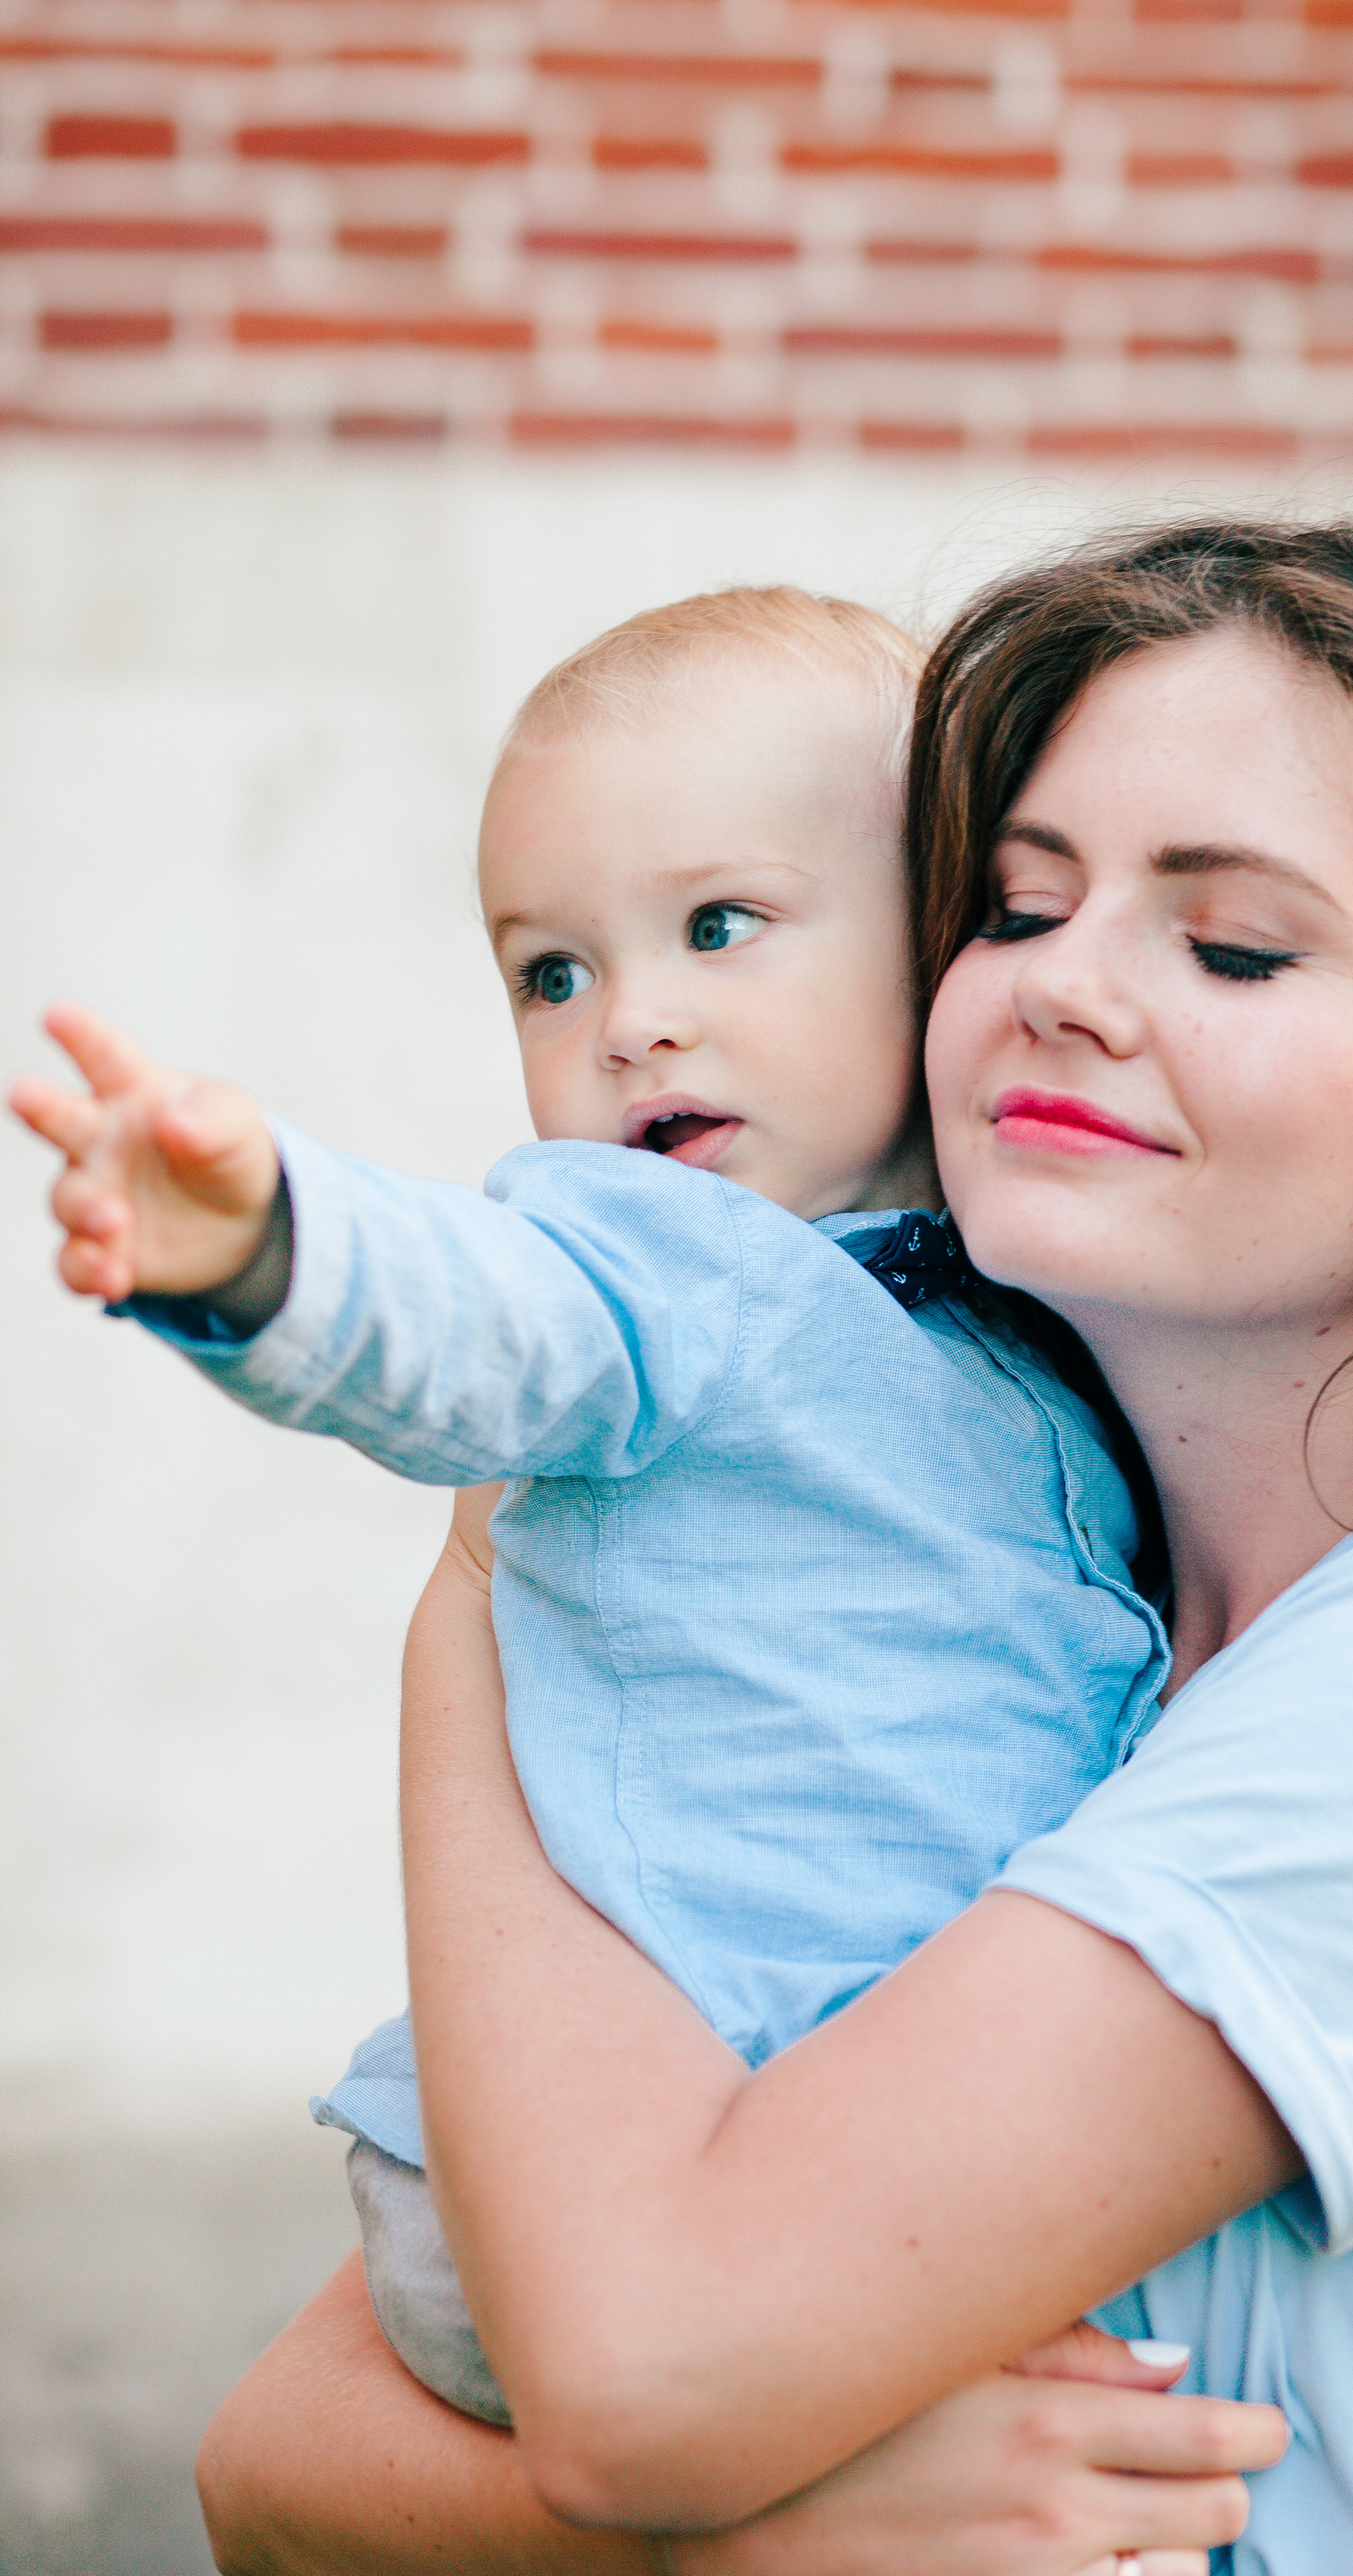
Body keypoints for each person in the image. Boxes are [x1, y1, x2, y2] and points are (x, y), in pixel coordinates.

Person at [192, 515, 1353, 2576]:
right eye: (1015, 906)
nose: (1070, 987)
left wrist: (497, 1569)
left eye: (1234, 944)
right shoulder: (999, 1605)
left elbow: (637, 2381)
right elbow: (274, 2459)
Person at [11, 586, 1197, 2448]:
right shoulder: (671, 1269)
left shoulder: (1007, 1312)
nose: (633, 1021)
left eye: (719, 928)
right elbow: (480, 1319)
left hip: (806, 2128)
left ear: (942, 940)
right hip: (644, 2163)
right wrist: (266, 1250)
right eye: (549, 974)